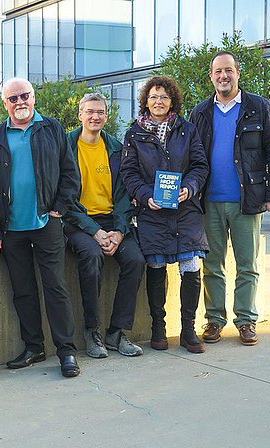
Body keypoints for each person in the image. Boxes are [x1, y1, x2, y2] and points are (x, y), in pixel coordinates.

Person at [0, 77, 81, 378]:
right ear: (5, 103)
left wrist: (59, 209)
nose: (20, 102)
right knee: (23, 291)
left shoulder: (52, 129)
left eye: (25, 96)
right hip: (11, 228)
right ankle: (34, 347)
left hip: (46, 222)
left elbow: (69, 175)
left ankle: (67, 352)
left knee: (55, 288)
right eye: (13, 98)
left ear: (33, 97)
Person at [120, 75, 209, 354]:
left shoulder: (188, 129)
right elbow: (128, 173)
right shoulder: (134, 133)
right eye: (153, 97)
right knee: (156, 267)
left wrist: (189, 188)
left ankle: (188, 329)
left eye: (164, 97)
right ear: (145, 101)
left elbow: (200, 166)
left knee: (191, 267)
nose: (158, 102)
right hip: (152, 213)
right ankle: (159, 327)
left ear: (173, 101)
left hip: (186, 212)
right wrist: (146, 196)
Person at [188, 51, 270, 346]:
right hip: (208, 201)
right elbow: (189, 156)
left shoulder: (259, 107)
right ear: (211, 76)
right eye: (217, 72)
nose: (223, 76)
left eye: (228, 71)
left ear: (238, 73)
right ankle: (214, 320)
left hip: (247, 200)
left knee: (248, 264)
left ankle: (246, 320)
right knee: (212, 264)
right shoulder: (199, 112)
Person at [64, 93, 145, 359]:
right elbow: (64, 198)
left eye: (100, 112)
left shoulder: (115, 148)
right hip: (79, 221)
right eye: (89, 112)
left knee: (135, 259)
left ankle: (116, 332)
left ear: (106, 117)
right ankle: (92, 330)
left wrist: (120, 231)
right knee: (92, 255)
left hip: (112, 220)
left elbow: (123, 195)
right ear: (80, 115)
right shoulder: (66, 146)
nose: (95, 117)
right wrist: (94, 231)